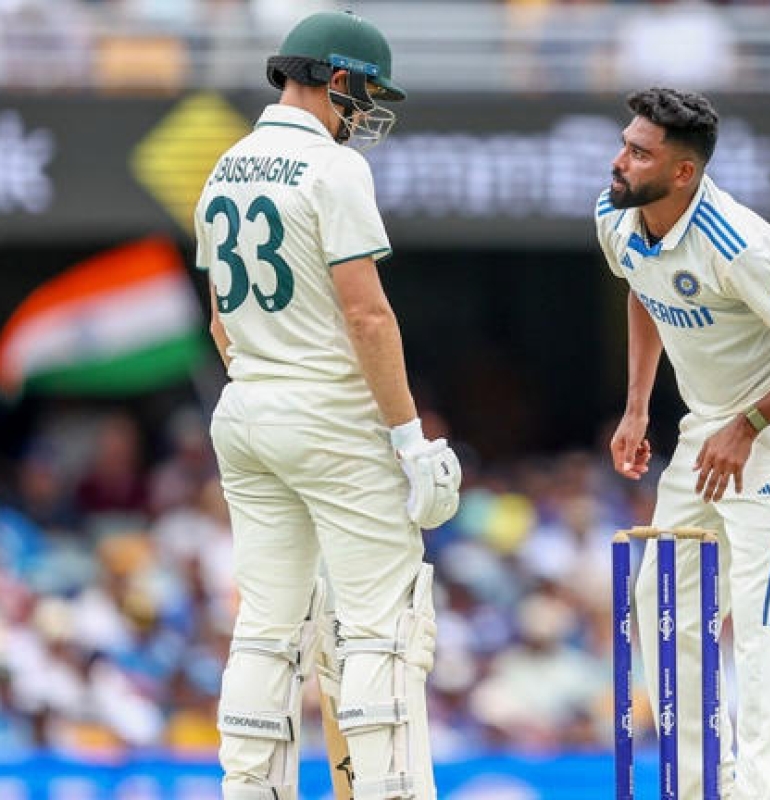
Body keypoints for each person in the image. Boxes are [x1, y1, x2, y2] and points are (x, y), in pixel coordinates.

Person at [194, 11, 461, 800]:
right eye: (364, 93)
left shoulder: (225, 166)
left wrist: (270, 391)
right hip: (328, 418)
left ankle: (250, 789)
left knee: (267, 626)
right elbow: (367, 315)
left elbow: (219, 323)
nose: (366, 111)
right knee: (385, 624)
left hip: (245, 411)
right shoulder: (333, 168)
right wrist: (409, 440)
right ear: (336, 79)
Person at [598, 87, 770, 800]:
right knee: (660, 596)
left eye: (639, 153)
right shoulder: (615, 215)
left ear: (682, 172)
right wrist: (636, 407)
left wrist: (749, 426)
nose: (619, 161)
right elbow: (642, 286)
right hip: (711, 421)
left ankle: (758, 788)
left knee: (758, 609)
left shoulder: (737, 241)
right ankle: (695, 782)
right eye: (625, 144)